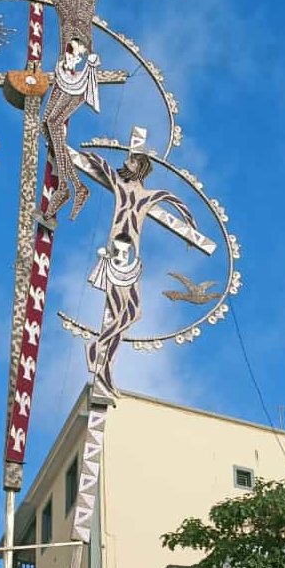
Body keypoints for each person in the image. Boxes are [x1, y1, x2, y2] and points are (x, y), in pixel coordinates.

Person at [0, 0, 144, 220]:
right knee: (49, 124)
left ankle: (70, 187)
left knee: (50, 123)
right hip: (66, 70)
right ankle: (72, 186)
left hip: (82, 71)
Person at [81, 148, 196, 399]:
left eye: (132, 160)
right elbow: (105, 169)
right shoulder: (123, 190)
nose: (126, 162)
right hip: (118, 253)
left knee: (133, 312)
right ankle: (99, 352)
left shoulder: (147, 197)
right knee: (122, 312)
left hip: (131, 259)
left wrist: (191, 227)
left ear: (140, 167)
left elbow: (171, 198)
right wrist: (88, 155)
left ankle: (103, 360)